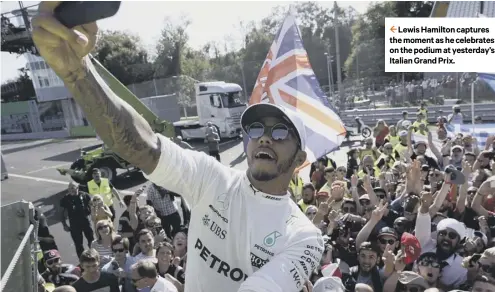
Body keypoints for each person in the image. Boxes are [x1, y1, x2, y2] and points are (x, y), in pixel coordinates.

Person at [31, 8, 323, 292]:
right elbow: (142, 144)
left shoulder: (304, 236)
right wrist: (77, 72)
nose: (265, 138)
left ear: (299, 159)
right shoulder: (212, 178)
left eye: (280, 132)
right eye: (256, 129)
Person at [60, 182, 94, 258]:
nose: (70, 190)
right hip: (74, 225)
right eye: (69, 188)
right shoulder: (65, 199)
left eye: (73, 187)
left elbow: (92, 206)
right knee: (78, 244)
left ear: (77, 188)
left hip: (86, 222)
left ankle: (94, 256)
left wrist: (93, 216)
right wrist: (64, 225)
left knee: (91, 241)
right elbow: (62, 213)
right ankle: (82, 261)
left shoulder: (85, 195)